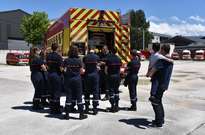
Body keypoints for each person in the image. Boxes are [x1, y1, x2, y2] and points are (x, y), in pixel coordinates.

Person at [147, 44, 174, 128]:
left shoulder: (161, 61)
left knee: (155, 102)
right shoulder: (170, 61)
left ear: (162, 50)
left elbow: (152, 73)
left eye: (161, 50)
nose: (159, 51)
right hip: (164, 84)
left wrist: (149, 74)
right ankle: (160, 119)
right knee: (158, 101)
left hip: (158, 85)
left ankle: (159, 122)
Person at [63, 46, 88, 120]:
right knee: (79, 96)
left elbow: (62, 69)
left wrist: (67, 73)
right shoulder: (79, 60)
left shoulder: (66, 60)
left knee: (68, 96)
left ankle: (67, 114)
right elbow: (81, 71)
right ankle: (81, 114)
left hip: (69, 80)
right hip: (77, 80)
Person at [46, 43, 63, 114]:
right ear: (57, 48)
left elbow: (47, 66)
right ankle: (56, 109)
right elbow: (60, 68)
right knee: (57, 92)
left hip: (49, 75)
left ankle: (52, 107)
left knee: (51, 92)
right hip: (56, 75)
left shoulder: (48, 56)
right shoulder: (58, 57)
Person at [83, 47, 100, 115]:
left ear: (88, 50)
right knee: (95, 92)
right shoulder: (97, 57)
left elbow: (84, 66)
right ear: (94, 51)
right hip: (95, 76)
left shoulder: (85, 57)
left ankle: (87, 108)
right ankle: (95, 109)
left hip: (87, 76)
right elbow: (98, 65)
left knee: (87, 92)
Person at [105, 47, 122, 112]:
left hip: (111, 76)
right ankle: (117, 106)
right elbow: (120, 69)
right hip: (117, 76)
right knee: (116, 91)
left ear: (111, 51)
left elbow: (106, 70)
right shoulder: (119, 59)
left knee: (111, 91)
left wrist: (107, 75)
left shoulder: (108, 59)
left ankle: (112, 106)